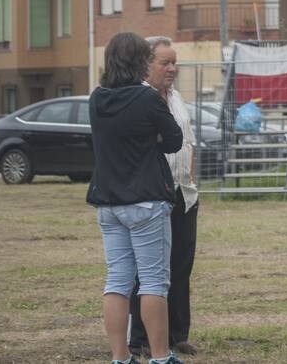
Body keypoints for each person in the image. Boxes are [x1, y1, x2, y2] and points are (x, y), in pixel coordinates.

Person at [88, 32, 183, 364]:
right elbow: (174, 140)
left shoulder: (97, 98)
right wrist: (150, 138)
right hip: (145, 200)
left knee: (117, 280)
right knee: (154, 281)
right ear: (140, 63)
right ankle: (160, 356)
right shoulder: (147, 99)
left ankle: (120, 356)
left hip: (108, 201)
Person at [130, 38, 199, 358]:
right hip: (153, 196)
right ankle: (141, 339)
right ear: (146, 65)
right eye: (164, 63)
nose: (172, 69)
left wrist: (192, 183)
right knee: (148, 271)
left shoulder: (178, 98)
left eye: (175, 63)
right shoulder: (138, 100)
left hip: (184, 195)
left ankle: (177, 334)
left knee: (181, 267)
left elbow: (189, 142)